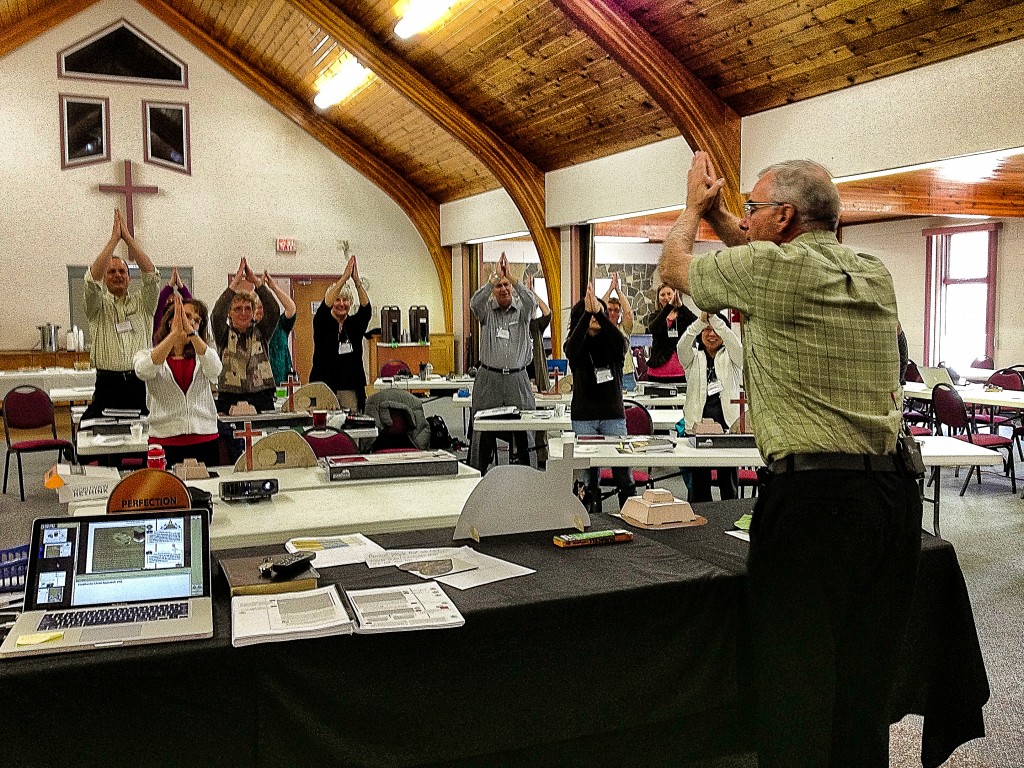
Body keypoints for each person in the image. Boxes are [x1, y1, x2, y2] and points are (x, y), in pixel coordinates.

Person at [659, 151, 922, 768]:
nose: (743, 218)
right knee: (864, 692)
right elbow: (756, 254)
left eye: (753, 208)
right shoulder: (873, 272)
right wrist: (733, 215)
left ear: (782, 215)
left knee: (796, 693)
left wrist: (696, 209)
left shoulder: (768, 272)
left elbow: (674, 267)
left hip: (813, 506)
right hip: (890, 502)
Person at [82, 209, 159, 421]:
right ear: (105, 278)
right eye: (111, 272)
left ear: (129, 278)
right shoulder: (96, 306)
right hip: (108, 384)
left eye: (122, 272)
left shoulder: (143, 303)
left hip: (139, 383)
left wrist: (128, 239)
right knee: (97, 444)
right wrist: (113, 240)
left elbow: (151, 274)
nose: (117, 275)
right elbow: (91, 281)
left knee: (144, 441)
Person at [564, 283, 635, 512]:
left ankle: (630, 513)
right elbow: (571, 348)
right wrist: (588, 313)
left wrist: (600, 313)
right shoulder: (575, 345)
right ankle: (586, 516)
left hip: (612, 416)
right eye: (591, 314)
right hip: (584, 417)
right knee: (586, 476)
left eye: (599, 314)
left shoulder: (612, 342)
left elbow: (622, 343)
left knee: (622, 471)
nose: (596, 317)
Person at [134, 294, 221, 467]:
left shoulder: (204, 353)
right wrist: (174, 335)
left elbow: (215, 370)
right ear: (169, 321)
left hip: (204, 438)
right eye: (186, 316)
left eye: (197, 320)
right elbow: (144, 371)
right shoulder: (147, 354)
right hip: (164, 441)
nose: (191, 323)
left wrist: (192, 334)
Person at [468, 252, 536, 473]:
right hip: (489, 380)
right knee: (482, 434)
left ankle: (528, 480)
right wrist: (492, 279)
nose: (503, 289)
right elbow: (474, 302)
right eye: (499, 287)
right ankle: (477, 478)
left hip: (518, 379)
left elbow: (531, 301)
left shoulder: (523, 312)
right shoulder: (487, 313)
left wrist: (512, 277)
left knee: (525, 433)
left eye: (506, 285)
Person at [678, 311, 743, 502]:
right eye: (707, 330)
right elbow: (682, 345)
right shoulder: (693, 357)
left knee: (728, 486)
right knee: (699, 487)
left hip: (727, 429)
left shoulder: (732, 357)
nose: (712, 334)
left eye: (716, 330)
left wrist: (714, 320)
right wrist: (700, 322)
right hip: (698, 430)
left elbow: (737, 346)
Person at [211, 258, 280, 416]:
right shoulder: (223, 333)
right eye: (237, 309)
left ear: (253, 312)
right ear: (230, 312)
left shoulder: (261, 331)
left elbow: (274, 310)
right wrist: (234, 284)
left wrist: (256, 282)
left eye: (248, 308)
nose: (243, 313)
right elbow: (217, 314)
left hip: (261, 394)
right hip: (229, 396)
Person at [309, 255, 371, 412]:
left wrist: (357, 282)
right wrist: (343, 278)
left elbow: (366, 309)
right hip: (324, 386)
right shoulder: (322, 321)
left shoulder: (354, 324)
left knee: (351, 431)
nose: (341, 304)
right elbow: (324, 306)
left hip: (350, 387)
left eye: (345, 300)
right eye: (337, 300)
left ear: (350, 303)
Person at [645, 283, 696, 383]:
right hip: (657, 371)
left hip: (681, 371)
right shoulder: (654, 316)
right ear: (658, 298)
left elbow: (695, 322)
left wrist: (680, 306)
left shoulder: (683, 315)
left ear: (675, 295)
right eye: (662, 295)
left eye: (669, 294)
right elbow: (653, 329)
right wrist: (668, 307)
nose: (666, 297)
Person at [257, 271, 298, 385]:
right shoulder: (250, 328)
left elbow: (291, 308)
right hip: (258, 385)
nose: (262, 310)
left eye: (265, 307)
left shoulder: (280, 324)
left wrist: (274, 287)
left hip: (281, 382)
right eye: (259, 307)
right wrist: (258, 286)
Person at [602, 272, 636, 392]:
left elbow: (628, 312)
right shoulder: (601, 328)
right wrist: (610, 289)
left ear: (619, 312)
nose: (612, 313)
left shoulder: (624, 328)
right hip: (606, 373)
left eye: (616, 310)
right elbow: (600, 308)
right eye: (609, 310)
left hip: (626, 374)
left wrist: (618, 290)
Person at [524, 273, 552, 393]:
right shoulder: (515, 324)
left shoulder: (535, 325)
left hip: (537, 373)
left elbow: (547, 313)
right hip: (522, 374)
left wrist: (534, 294)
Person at [153, 267, 192, 343]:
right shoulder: (157, 320)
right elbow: (159, 303)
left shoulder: (182, 318)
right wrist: (169, 286)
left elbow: (191, 305)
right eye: (168, 299)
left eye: (172, 299)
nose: (171, 301)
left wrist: (181, 286)